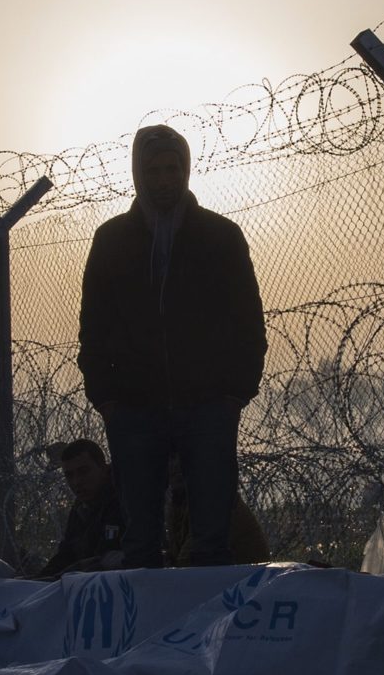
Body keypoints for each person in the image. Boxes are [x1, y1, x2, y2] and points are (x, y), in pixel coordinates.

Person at [77, 124, 268, 568]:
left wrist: (235, 392)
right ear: (138, 175)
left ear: (186, 171)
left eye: (172, 169)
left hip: (207, 405)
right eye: (154, 171)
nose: (164, 180)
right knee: (140, 540)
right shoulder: (111, 240)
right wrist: (106, 396)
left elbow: (248, 319)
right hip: (134, 406)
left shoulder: (220, 236)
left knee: (211, 539)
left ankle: (210, 632)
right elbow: (93, 325)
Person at [37, 439, 129, 577]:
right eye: (69, 475)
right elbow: (67, 554)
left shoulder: (125, 501)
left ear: (103, 468)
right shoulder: (82, 507)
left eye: (84, 471)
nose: (76, 482)